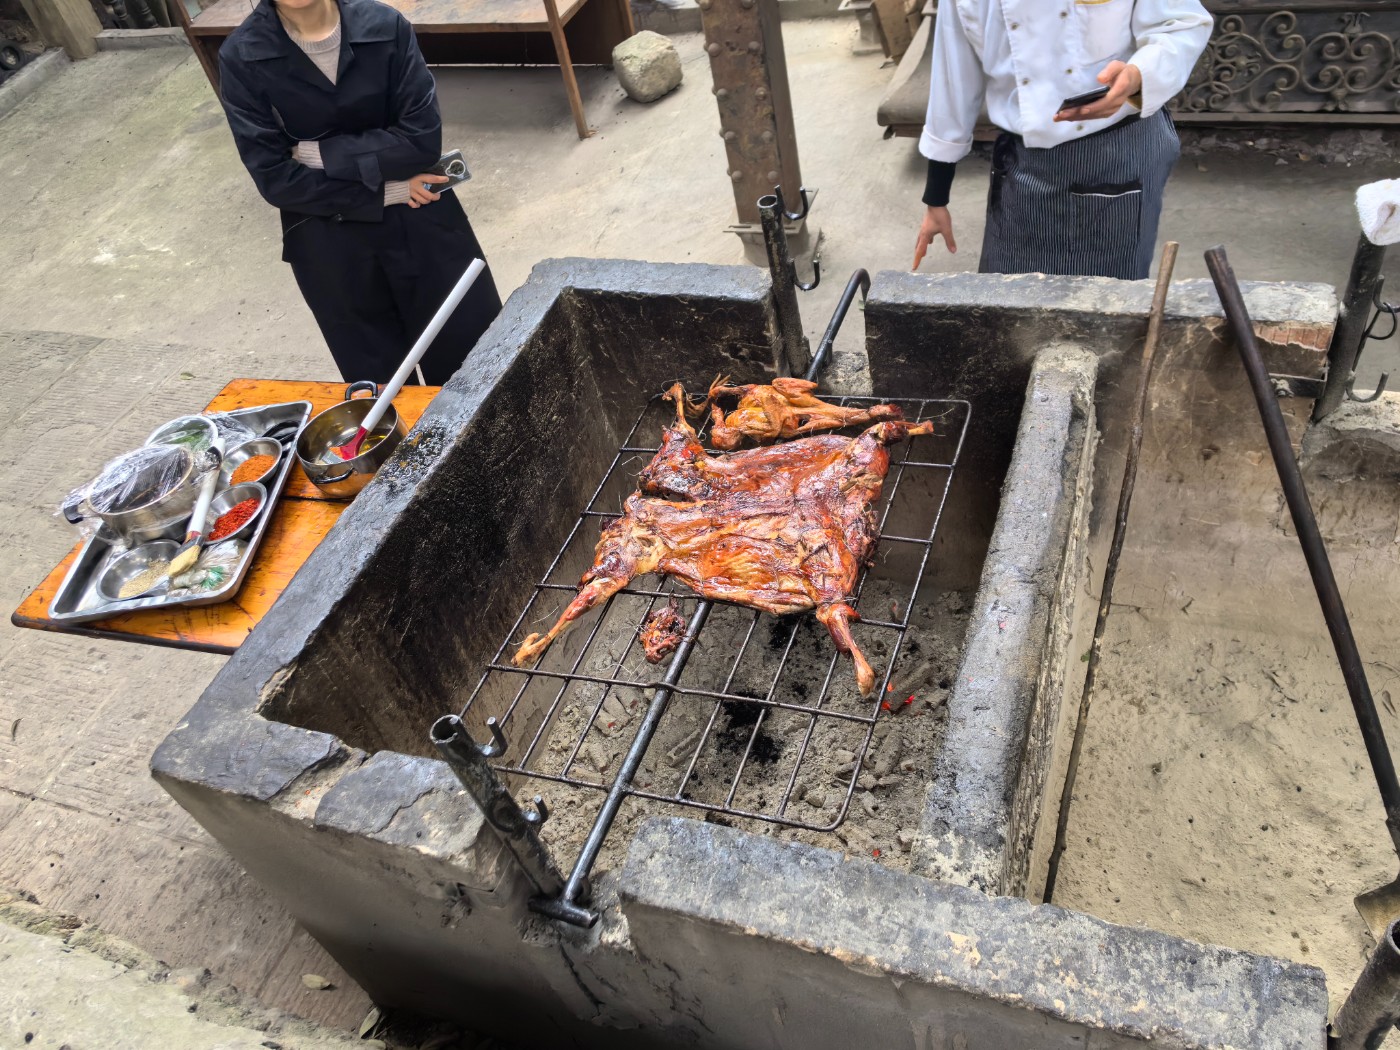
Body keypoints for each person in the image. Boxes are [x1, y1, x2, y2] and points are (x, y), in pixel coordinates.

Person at [217, 0, 502, 385]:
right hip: (331, 236)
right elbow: (277, 180)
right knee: (383, 389)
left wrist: (316, 153)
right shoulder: (241, 56)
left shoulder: (385, 25)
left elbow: (420, 143)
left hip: (421, 217)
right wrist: (391, 189)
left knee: (473, 367)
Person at [912, 0, 1212, 280]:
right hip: (1023, 167)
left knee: (1110, 299)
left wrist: (1139, 75)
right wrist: (936, 196)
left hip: (1120, 154)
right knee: (1013, 296)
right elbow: (953, 74)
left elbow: (1181, 23)